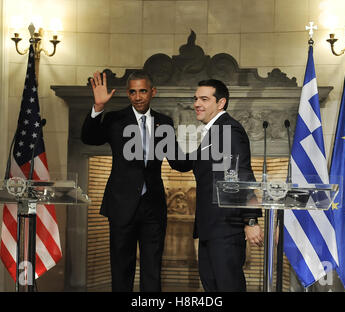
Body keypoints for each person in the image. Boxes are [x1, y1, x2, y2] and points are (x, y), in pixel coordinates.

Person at [81, 70, 181, 292]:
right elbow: (89, 138)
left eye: (143, 91)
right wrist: (98, 108)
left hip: (153, 207)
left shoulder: (163, 122)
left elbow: (177, 160)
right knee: (121, 269)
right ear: (128, 94)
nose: (138, 97)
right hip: (121, 205)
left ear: (152, 92)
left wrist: (207, 153)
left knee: (152, 269)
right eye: (133, 92)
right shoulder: (115, 119)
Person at [176, 79, 264, 291]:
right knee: (212, 287)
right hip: (210, 228)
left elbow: (241, 174)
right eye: (196, 98)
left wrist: (251, 220)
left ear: (221, 103)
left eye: (204, 99)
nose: (197, 103)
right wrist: (164, 137)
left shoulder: (230, 130)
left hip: (226, 228)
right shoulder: (212, 132)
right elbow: (185, 163)